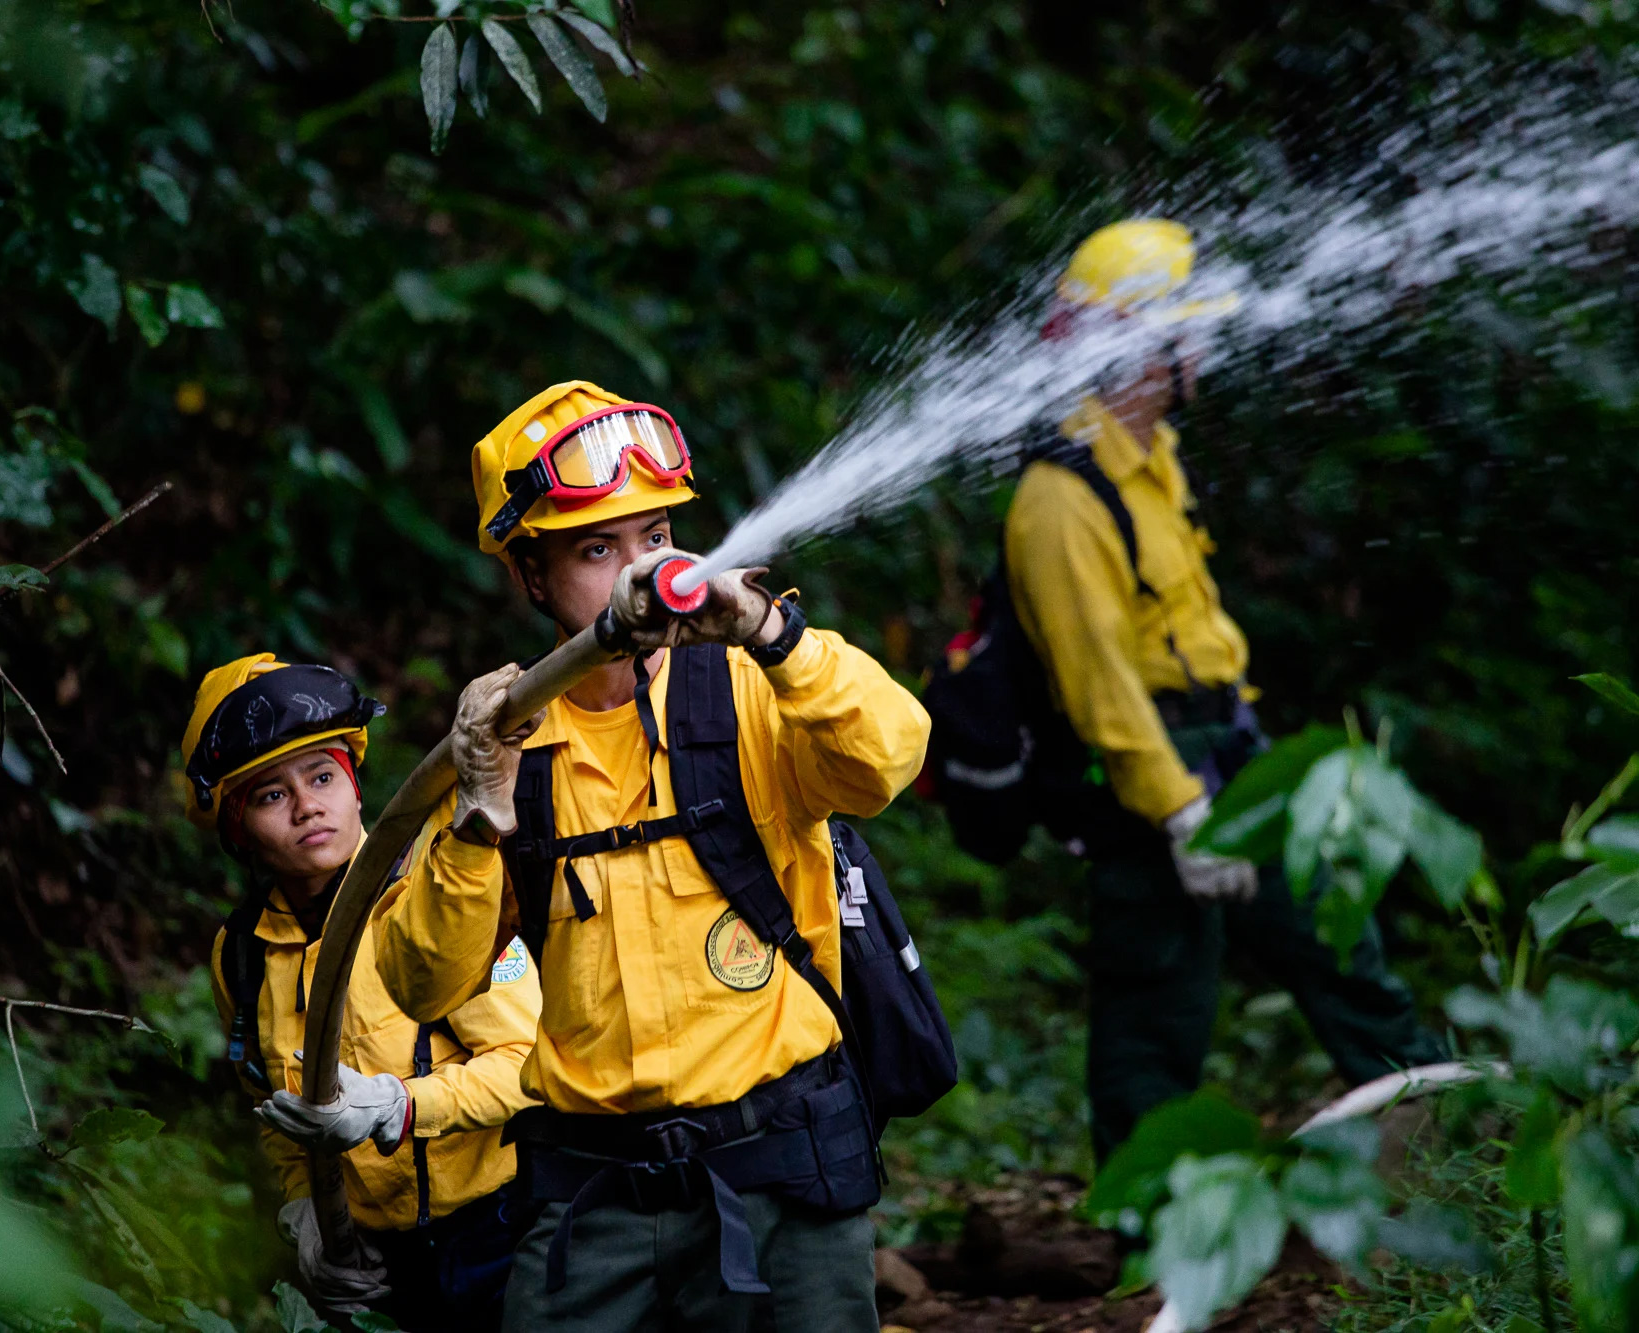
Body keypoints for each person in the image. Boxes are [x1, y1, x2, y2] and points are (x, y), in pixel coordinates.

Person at [373, 381, 932, 1333]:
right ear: (531, 576)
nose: (640, 572)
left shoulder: (755, 689)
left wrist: (770, 632)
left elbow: (888, 754)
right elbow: (424, 981)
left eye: (657, 536)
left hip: (783, 1178)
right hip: (596, 1204)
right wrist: (480, 812)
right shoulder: (507, 748)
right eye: (597, 549)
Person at [1004, 219, 1447, 1160]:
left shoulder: (1153, 454)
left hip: (1225, 747)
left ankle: (1438, 1131)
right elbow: (1100, 686)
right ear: (1141, 346)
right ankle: (1147, 1230)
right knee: (1156, 1008)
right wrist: (1178, 813)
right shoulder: (1061, 497)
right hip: (1148, 778)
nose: (1202, 349)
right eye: (1186, 331)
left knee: (1333, 933)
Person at [181, 653, 543, 1332]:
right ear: (237, 829)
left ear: (354, 787)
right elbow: (273, 1110)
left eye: (322, 776)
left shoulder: (437, 894)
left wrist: (400, 1106)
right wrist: (308, 1215)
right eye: (269, 794)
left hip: (505, 1234)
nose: (306, 805)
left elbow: (531, 1066)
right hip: (381, 1269)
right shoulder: (242, 956)